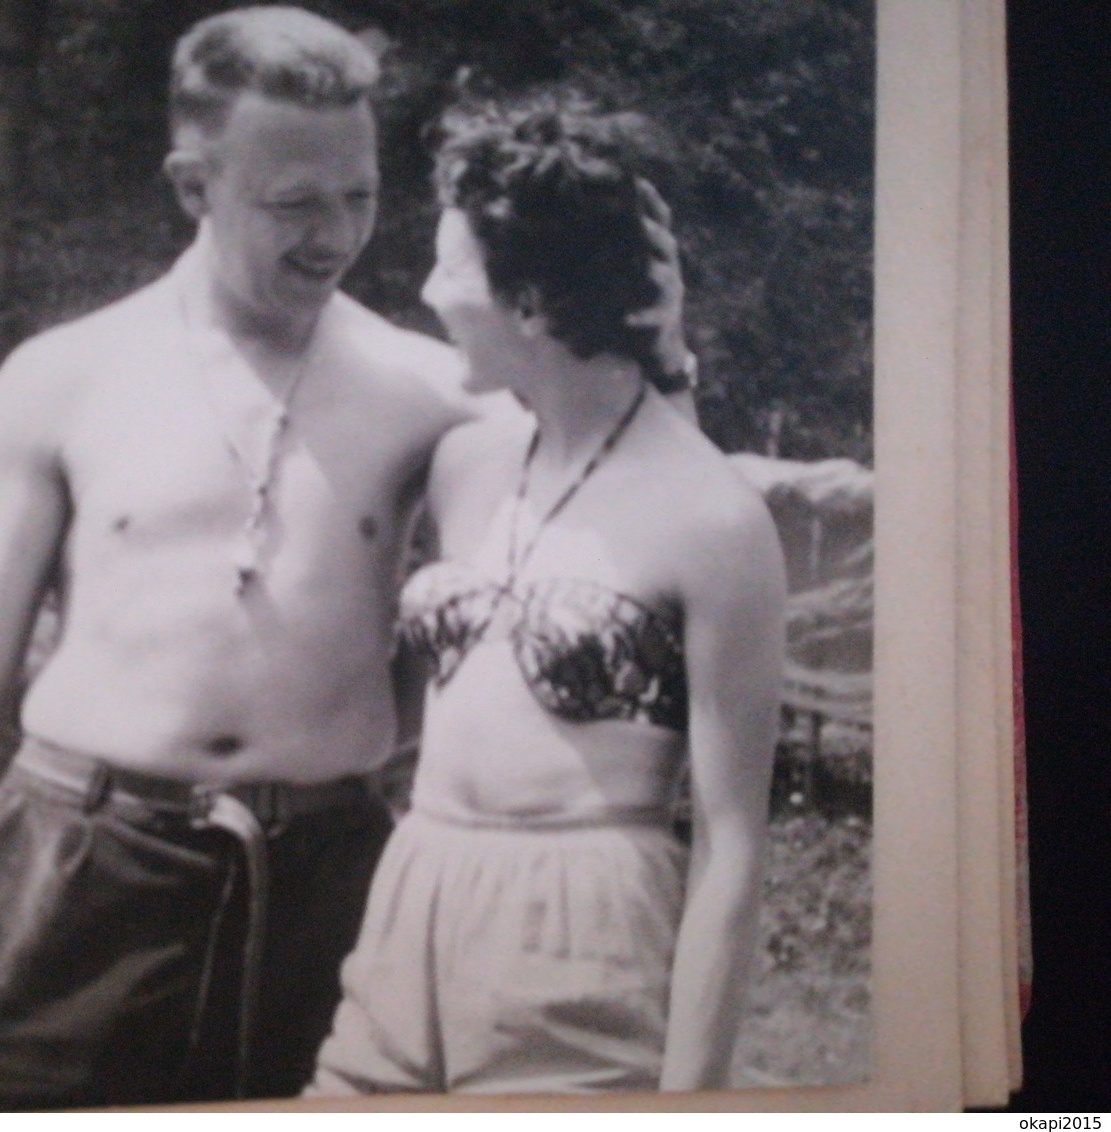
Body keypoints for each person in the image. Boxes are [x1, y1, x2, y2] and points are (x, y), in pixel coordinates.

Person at [0, 7, 697, 1111]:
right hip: (79, 865)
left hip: (327, 884)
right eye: (292, 202)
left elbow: (643, 514)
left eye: (357, 195)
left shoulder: (432, 391)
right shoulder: (62, 377)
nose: (333, 233)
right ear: (191, 182)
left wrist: (663, 351)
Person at [308, 91, 785, 1096]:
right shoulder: (463, 460)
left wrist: (688, 1097)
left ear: (527, 303)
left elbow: (732, 845)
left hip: (581, 939)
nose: (428, 292)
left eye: (449, 267)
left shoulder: (715, 519)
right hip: (411, 901)